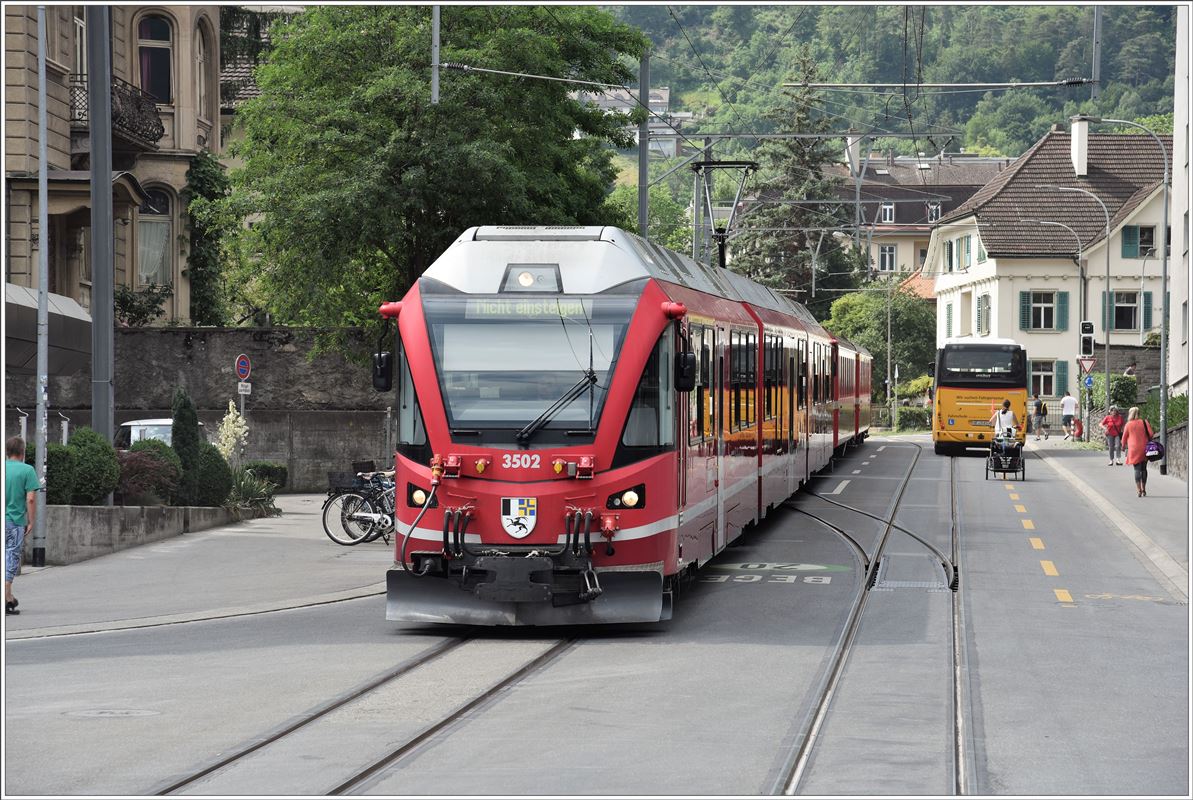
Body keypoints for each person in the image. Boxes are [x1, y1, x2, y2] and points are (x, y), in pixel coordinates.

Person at [5, 437, 39, 615]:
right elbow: (31, 498)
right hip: (14, 520)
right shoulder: (27, 470)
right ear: (22, 452)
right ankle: (6, 593)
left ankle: (9, 597)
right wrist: (31, 521)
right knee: (11, 554)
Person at [1121, 407, 1155, 497]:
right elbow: (1151, 434)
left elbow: (1124, 438)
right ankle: (1144, 489)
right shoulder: (1144, 422)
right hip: (1145, 448)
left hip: (1134, 449)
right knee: (1144, 469)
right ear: (1139, 413)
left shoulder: (1128, 424)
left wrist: (1123, 446)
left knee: (1137, 469)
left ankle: (1138, 490)